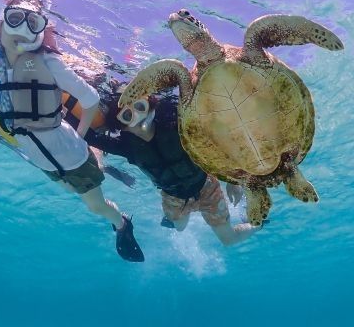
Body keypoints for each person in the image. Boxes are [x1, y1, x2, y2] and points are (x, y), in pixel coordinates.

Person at [0, 0, 144, 262]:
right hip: (40, 158)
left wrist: (79, 137)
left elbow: (91, 99)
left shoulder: (49, 63)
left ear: (40, 33)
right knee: (70, 190)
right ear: (1, 28)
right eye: (14, 20)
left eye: (32, 23)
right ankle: (97, 157)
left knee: (95, 206)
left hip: (72, 155)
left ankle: (122, 223)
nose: (22, 30)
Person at [86, 88, 257, 246]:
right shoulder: (126, 147)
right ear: (122, 126)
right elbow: (90, 137)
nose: (138, 117)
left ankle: (257, 224)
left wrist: (233, 179)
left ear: (150, 106)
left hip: (207, 188)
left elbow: (217, 138)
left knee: (228, 240)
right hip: (173, 198)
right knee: (180, 227)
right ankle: (174, 217)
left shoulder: (177, 124)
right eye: (128, 116)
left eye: (140, 106)